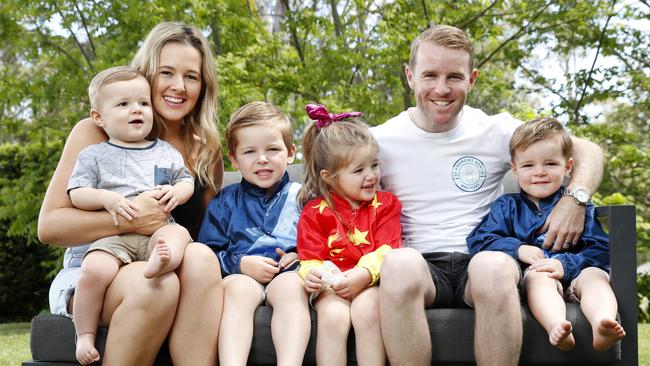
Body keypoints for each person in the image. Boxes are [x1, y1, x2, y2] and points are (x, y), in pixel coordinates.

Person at [371, 24, 605, 365]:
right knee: (398, 263)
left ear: (472, 79)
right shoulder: (382, 140)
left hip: (480, 260)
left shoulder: (495, 130)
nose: (441, 88)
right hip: (419, 266)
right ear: (410, 76)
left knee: (494, 267)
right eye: (429, 75)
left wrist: (575, 199)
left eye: (454, 76)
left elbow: (588, 150)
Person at [39, 22, 224, 366]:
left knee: (200, 258)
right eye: (166, 72)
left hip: (166, 262)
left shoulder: (206, 149)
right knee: (156, 285)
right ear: (146, 73)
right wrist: (131, 220)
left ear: (203, 86)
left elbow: (206, 239)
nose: (178, 87)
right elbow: (50, 226)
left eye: (191, 77)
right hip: (93, 270)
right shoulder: (97, 133)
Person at [69, 66, 195, 364]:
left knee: (179, 235)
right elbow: (76, 193)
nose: (136, 110)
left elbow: (185, 180)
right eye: (123, 104)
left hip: (157, 231)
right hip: (114, 238)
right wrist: (106, 198)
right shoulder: (94, 155)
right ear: (99, 117)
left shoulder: (164, 151)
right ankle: (84, 334)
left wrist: (178, 193)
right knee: (94, 270)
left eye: (143, 103)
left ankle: (162, 261)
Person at [467, 117, 625, 352]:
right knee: (538, 277)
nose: (539, 172)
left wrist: (566, 265)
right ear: (515, 169)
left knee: (596, 276)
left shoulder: (580, 209)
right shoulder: (506, 207)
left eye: (550, 164)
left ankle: (602, 322)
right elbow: (480, 240)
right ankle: (556, 325)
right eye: (528, 165)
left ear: (568, 167)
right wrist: (517, 249)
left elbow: (600, 249)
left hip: (578, 276)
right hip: (537, 278)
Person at [198, 101, 311, 366]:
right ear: (234, 160)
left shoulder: (304, 198)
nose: (262, 158)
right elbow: (206, 254)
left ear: (291, 152)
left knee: (292, 288)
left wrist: (300, 256)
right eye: (250, 152)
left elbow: (324, 242)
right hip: (241, 275)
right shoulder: (225, 201)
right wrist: (239, 264)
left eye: (272, 149)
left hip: (290, 274)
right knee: (235, 290)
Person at [297, 104, 403, 366]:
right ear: (329, 177)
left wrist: (363, 275)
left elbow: (388, 248)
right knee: (333, 317)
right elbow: (310, 256)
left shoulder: (386, 204)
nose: (371, 176)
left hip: (372, 282)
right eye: (358, 170)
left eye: (374, 165)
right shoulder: (315, 212)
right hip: (333, 286)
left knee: (368, 311)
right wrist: (312, 275)